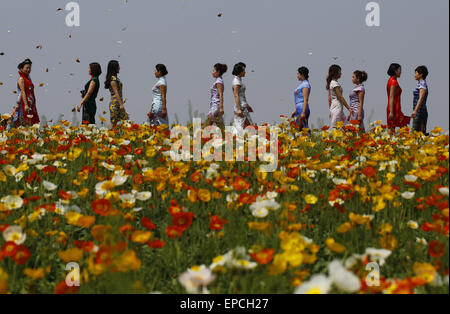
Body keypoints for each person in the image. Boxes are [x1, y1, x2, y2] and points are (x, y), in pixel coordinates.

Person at [15, 58, 39, 126]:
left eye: (29, 68)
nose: (28, 70)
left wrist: (34, 103)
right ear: (22, 69)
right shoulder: (21, 79)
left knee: (32, 123)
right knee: (25, 121)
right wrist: (25, 104)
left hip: (31, 104)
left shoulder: (28, 79)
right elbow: (22, 92)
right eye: (27, 68)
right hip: (25, 104)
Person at [386, 63, 410, 131]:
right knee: (404, 130)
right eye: (399, 70)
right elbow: (391, 96)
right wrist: (391, 111)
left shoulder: (390, 80)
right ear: (395, 71)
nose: (400, 72)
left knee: (391, 129)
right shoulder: (393, 82)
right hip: (394, 109)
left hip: (393, 108)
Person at [105, 60, 128, 127]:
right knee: (113, 123)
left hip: (118, 103)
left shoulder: (116, 78)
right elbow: (116, 93)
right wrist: (121, 105)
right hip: (115, 104)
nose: (119, 68)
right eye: (118, 66)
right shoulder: (113, 80)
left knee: (125, 120)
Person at [232, 62, 254, 132]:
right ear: (240, 71)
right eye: (243, 70)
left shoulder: (239, 80)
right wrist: (239, 109)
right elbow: (236, 95)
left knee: (246, 127)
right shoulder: (236, 82)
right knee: (246, 128)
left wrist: (247, 106)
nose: (245, 72)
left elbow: (242, 95)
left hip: (243, 107)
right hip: (241, 108)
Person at [291, 66, 311, 132]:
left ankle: (309, 140)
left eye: (298, 74)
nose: (297, 76)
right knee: (298, 130)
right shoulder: (302, 84)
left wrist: (303, 112)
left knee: (303, 129)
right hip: (299, 108)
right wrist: (295, 110)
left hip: (302, 108)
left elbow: (305, 99)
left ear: (301, 74)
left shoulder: (305, 85)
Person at [207, 63, 227, 127]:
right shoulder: (218, 80)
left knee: (208, 123)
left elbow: (221, 94)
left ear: (218, 72)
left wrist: (221, 107)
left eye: (214, 71)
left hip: (216, 106)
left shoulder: (219, 81)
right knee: (219, 125)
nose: (212, 72)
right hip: (214, 105)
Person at [411, 66, 429, 135]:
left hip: (420, 111)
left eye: (416, 73)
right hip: (419, 110)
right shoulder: (420, 84)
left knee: (416, 133)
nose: (415, 75)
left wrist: (415, 110)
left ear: (420, 74)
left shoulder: (422, 84)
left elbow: (421, 98)